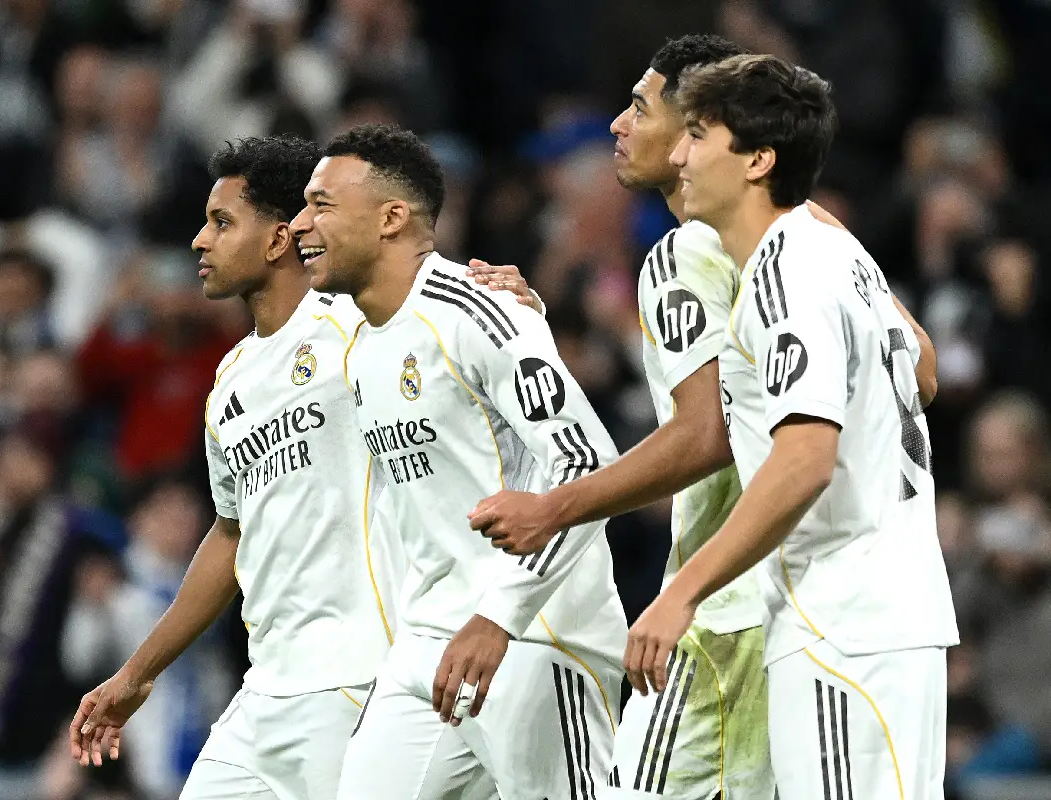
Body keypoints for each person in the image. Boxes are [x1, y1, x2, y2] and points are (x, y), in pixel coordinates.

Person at [466, 34, 939, 800]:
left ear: (750, 155)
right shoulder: (823, 238)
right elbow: (919, 367)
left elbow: (720, 436)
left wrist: (563, 513)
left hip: (756, 608)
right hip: (849, 600)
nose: (622, 126)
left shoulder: (714, 257)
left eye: (669, 120)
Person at [68, 134, 537, 800]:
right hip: (264, 691)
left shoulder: (359, 323)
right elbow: (232, 535)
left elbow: (441, 300)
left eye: (221, 222)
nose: (200, 242)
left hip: (361, 679)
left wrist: (513, 298)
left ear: (280, 238)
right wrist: (137, 674)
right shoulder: (230, 381)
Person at [617, 54, 957, 799]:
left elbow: (804, 459)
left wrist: (683, 592)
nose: (678, 153)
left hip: (841, 617)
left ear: (758, 160)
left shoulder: (783, 274)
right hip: (892, 613)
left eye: (699, 135)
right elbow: (924, 373)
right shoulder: (836, 252)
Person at [290, 123, 627, 800]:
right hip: (430, 640)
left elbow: (587, 460)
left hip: (536, 633)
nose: (300, 224)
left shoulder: (482, 312)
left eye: (322, 204)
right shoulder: (360, 342)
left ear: (391, 217)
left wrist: (500, 615)